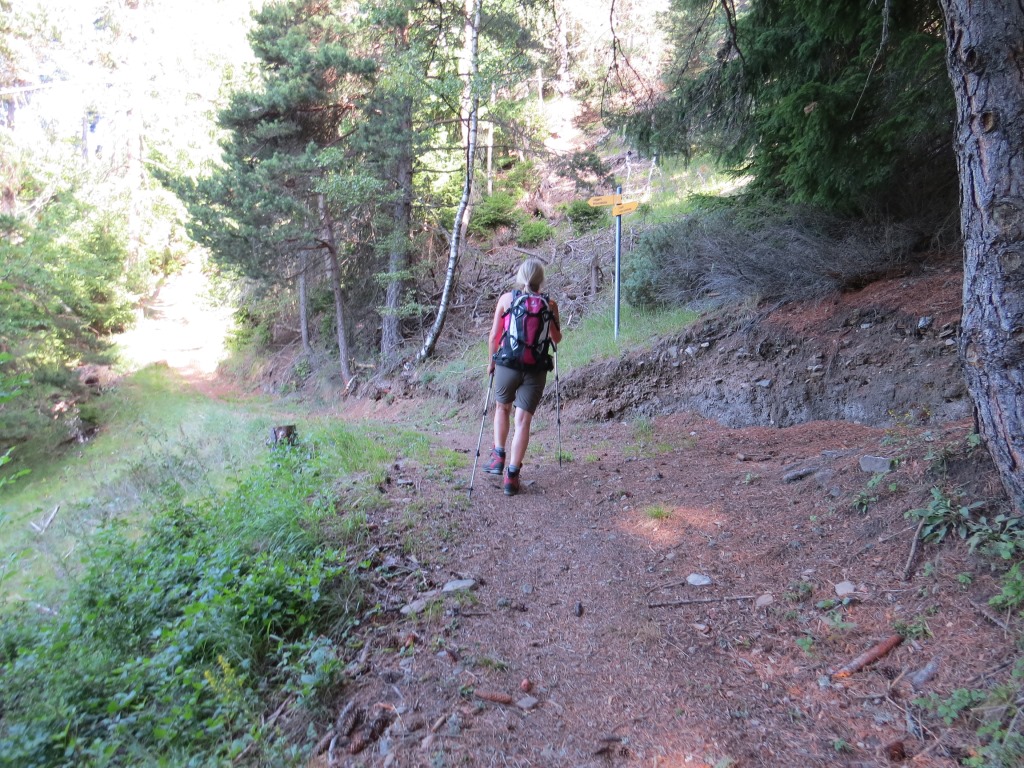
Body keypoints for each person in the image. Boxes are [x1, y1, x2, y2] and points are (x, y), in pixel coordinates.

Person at [483, 258, 562, 496]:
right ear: (541, 279)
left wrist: (491, 362)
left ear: (520, 277)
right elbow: (556, 339)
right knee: (523, 421)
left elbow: (494, 336)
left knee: (502, 408)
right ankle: (512, 476)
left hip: (507, 364)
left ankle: (498, 456)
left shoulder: (506, 299)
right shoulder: (550, 304)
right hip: (536, 368)